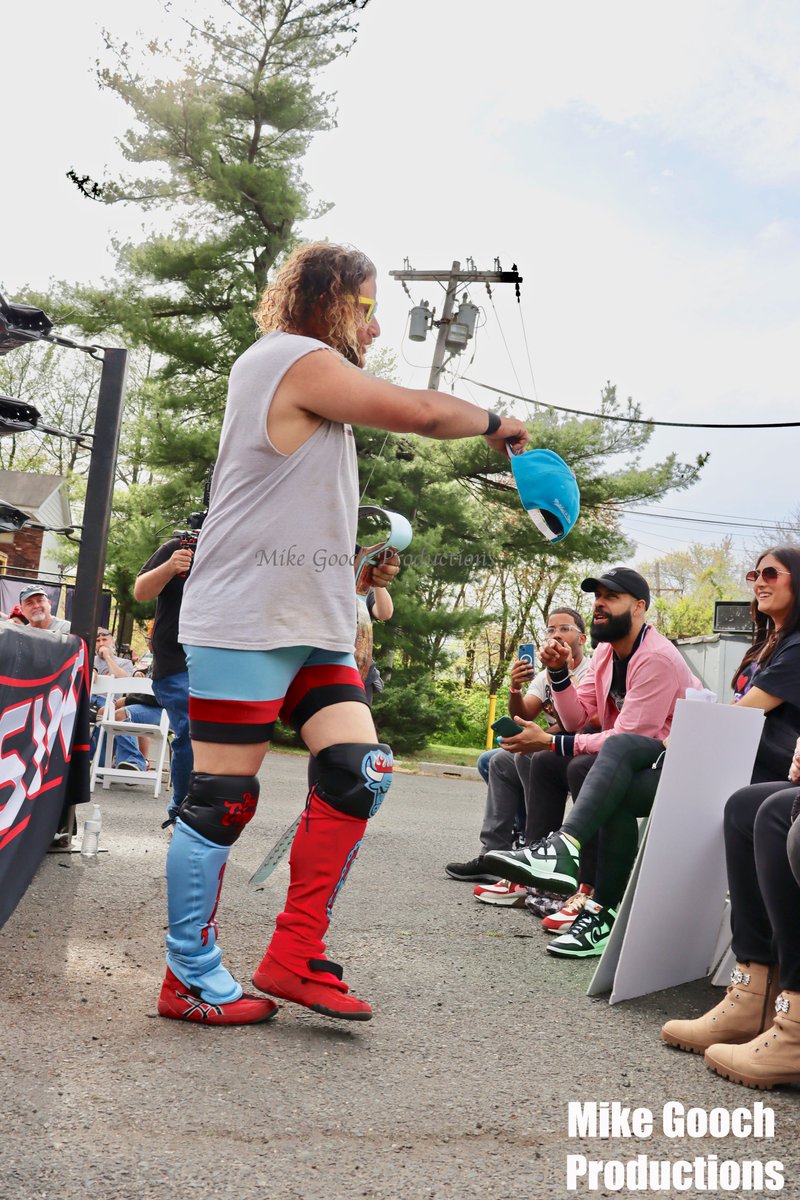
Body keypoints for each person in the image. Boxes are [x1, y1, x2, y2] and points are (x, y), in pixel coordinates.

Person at [159, 241, 536, 1026]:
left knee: (360, 772)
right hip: (247, 616)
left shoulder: (313, 380)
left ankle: (293, 955)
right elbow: (424, 413)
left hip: (314, 621)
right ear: (330, 298)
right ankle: (188, 974)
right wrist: (499, 423)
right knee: (222, 801)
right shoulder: (288, 357)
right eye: (366, 308)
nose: (373, 327)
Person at [484, 567, 700, 957]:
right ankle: (549, 872)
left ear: (638, 608)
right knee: (555, 764)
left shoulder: (657, 658)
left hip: (684, 763)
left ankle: (581, 877)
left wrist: (550, 740)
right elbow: (577, 718)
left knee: (592, 755)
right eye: (597, 596)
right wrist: (557, 673)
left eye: (610, 597)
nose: (599, 604)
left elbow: (633, 736)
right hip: (638, 759)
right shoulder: (604, 654)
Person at [659, 546, 800, 1089]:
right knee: (746, 807)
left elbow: (745, 715)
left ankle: (790, 1012)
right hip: (763, 771)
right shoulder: (768, 645)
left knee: (766, 810)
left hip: (773, 765)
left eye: (770, 573)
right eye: (753, 573)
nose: (758, 581)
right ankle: (751, 992)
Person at [445, 608, 590, 914]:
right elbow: (523, 714)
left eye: (564, 628)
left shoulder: (591, 670)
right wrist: (514, 688)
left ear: (582, 637)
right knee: (494, 761)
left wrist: (536, 739)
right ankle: (494, 855)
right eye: (550, 630)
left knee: (529, 757)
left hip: (576, 748)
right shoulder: (545, 674)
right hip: (548, 744)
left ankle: (530, 850)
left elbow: (580, 721)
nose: (556, 635)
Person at [133, 537, 195, 823]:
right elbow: (141, 591)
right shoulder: (180, 546)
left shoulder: (244, 546)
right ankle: (183, 813)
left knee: (225, 737)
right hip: (176, 662)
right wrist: (170, 566)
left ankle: (209, 811)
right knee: (193, 730)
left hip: (223, 659)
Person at [91, 629, 148, 773]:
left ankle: (118, 762)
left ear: (113, 643)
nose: (101, 643)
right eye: (98, 641)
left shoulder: (125, 662)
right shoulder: (89, 658)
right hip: (89, 700)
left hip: (109, 702)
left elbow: (125, 681)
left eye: (105, 640)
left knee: (111, 714)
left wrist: (109, 658)